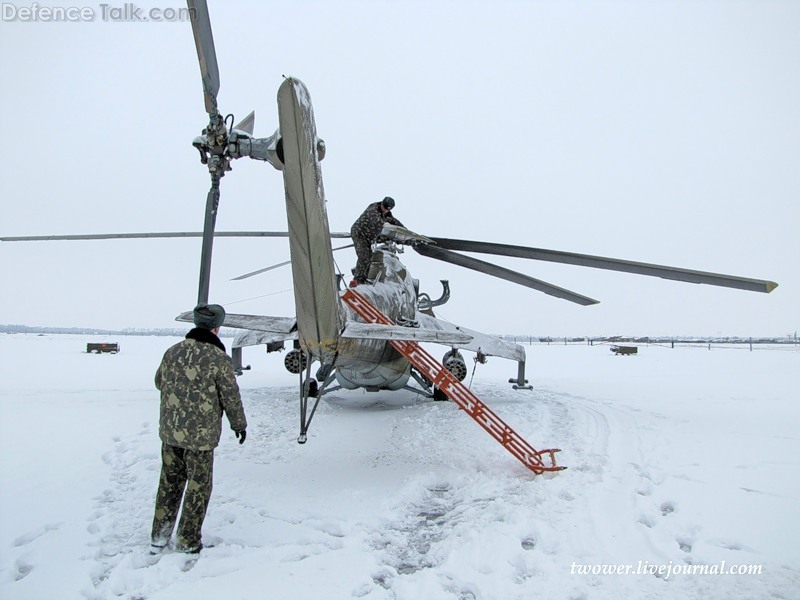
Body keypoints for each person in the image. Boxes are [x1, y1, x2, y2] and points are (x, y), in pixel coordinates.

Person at [150, 303, 247, 555]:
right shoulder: (218, 359)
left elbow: (160, 382)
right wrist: (239, 425)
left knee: (169, 483)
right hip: (200, 439)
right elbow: (230, 396)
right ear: (217, 327)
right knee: (198, 486)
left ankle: (159, 536)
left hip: (171, 433)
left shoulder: (173, 352)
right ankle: (187, 540)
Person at [349, 196, 404, 286]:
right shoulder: (373, 210)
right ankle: (358, 280)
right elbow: (379, 225)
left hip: (368, 237)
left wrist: (404, 232)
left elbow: (394, 222)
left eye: (388, 209)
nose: (385, 210)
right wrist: (392, 234)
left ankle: (363, 279)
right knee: (364, 256)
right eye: (385, 208)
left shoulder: (386, 214)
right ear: (382, 204)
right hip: (359, 234)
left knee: (369, 257)